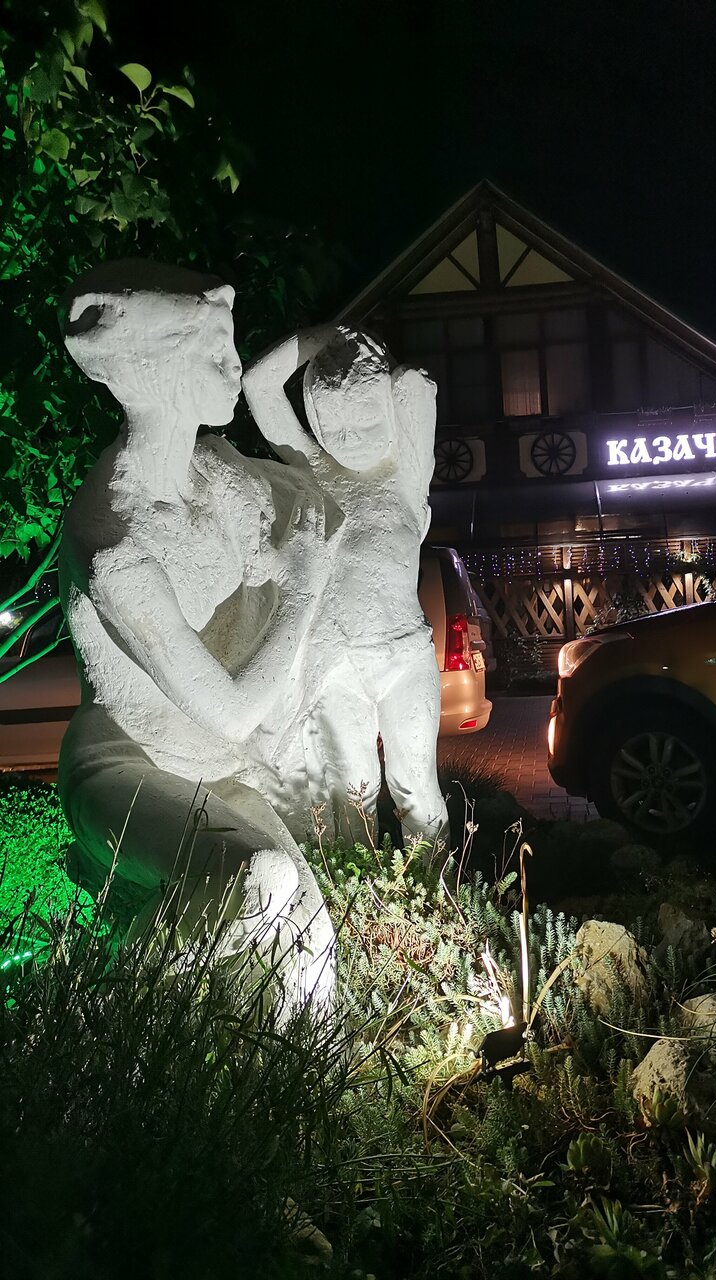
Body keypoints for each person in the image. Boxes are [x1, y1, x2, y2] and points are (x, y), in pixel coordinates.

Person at [58, 260, 337, 1008]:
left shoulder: (215, 476)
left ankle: (266, 1077)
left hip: (217, 769)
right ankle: (100, 1022)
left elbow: (294, 538)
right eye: (214, 352)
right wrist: (304, 585)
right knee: (259, 882)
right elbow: (232, 710)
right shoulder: (113, 539)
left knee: (313, 958)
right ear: (155, 373)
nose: (234, 367)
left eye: (232, 347)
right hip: (124, 766)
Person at [243, 325, 448, 848]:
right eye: (332, 424)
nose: (350, 436)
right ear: (314, 422)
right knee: (353, 792)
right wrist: (321, 337)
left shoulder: (405, 475)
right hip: (337, 662)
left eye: (365, 419)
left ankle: (433, 885)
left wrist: (363, 354)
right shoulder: (314, 471)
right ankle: (358, 891)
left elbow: (414, 388)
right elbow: (259, 386)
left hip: (405, 654)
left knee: (417, 786)